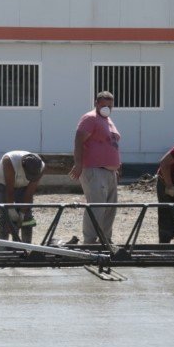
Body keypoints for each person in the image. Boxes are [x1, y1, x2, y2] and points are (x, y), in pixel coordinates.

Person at [69, 91, 122, 245]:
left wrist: (116, 167)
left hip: (109, 171)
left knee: (110, 208)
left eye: (110, 105)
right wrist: (78, 163)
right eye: (104, 105)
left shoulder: (107, 120)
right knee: (96, 207)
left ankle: (105, 240)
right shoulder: (90, 118)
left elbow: (110, 144)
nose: (107, 108)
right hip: (94, 169)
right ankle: (90, 241)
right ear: (96, 103)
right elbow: (79, 140)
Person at [0, 151, 44, 243]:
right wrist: (11, 211)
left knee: (27, 218)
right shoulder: (9, 161)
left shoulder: (40, 167)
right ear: (22, 166)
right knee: (6, 216)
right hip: (4, 185)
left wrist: (22, 214)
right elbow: (9, 190)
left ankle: (26, 246)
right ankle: (3, 246)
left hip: (24, 186)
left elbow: (29, 192)